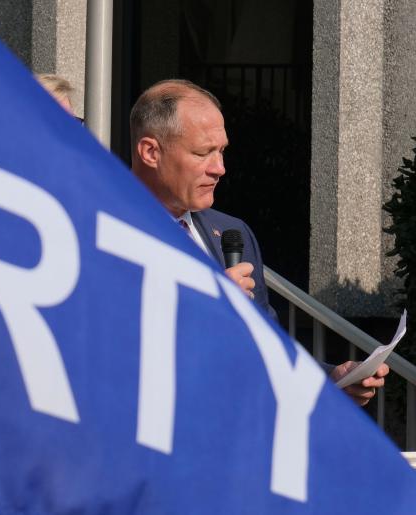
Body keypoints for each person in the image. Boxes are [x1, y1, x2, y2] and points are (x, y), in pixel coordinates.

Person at [128, 79, 388, 406]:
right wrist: (205, 308)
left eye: (221, 151)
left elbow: (269, 350)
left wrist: (331, 379)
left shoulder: (232, 232)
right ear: (151, 151)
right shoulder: (104, 231)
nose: (219, 168)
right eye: (202, 153)